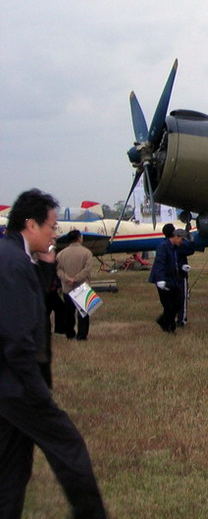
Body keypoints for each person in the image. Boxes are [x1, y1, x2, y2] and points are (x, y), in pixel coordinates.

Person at [0, 189, 107, 518]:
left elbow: (35, 306)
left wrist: (46, 267)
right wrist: (36, 390)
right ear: (31, 225)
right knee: (68, 447)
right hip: (18, 386)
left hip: (8, 390)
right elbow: (17, 338)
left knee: (11, 466)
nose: (53, 233)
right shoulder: (13, 263)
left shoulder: (13, 257)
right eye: (50, 226)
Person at [56, 229, 94, 341]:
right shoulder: (87, 253)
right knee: (83, 314)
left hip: (67, 287)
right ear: (79, 238)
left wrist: (67, 279)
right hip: (82, 286)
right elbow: (87, 270)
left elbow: (58, 270)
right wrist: (76, 279)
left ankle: (70, 333)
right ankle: (82, 335)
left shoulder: (61, 254)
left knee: (69, 313)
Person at [149, 224, 184, 332]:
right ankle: (169, 328)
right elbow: (159, 264)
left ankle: (162, 321)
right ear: (175, 236)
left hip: (172, 279)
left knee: (178, 302)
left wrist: (182, 267)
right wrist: (160, 280)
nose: (181, 241)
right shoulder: (163, 247)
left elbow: (173, 263)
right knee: (169, 306)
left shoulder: (173, 248)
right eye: (181, 239)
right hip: (164, 280)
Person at [173, 228, 196, 328]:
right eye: (181, 239)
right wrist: (191, 242)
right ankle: (181, 320)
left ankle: (177, 319)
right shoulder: (178, 247)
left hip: (173, 275)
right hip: (180, 275)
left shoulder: (167, 245)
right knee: (181, 298)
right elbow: (190, 250)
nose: (182, 241)